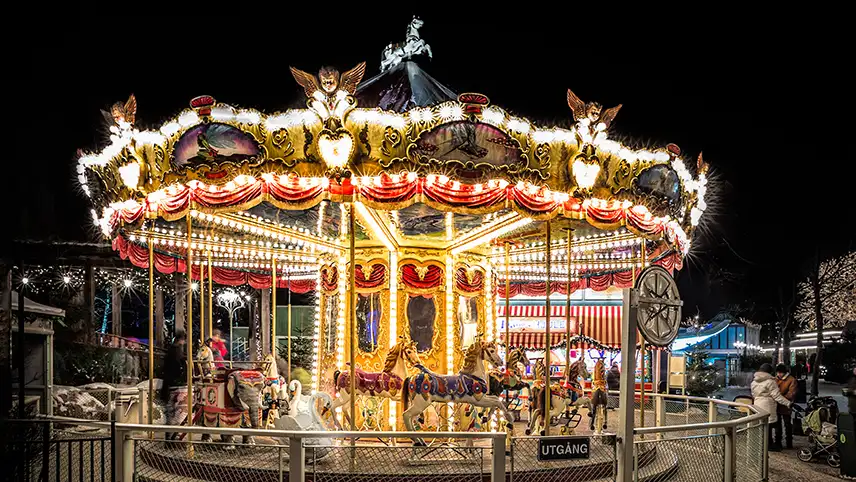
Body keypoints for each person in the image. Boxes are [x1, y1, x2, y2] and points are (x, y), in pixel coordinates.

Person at [751, 363, 792, 451]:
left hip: (757, 404)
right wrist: (788, 403)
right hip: (768, 405)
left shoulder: (754, 381)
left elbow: (753, 394)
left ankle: (764, 443)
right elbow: (776, 396)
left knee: (763, 425)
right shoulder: (771, 382)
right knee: (769, 426)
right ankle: (769, 445)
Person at [160, 331, 187, 441]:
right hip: (174, 383)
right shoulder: (177, 350)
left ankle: (170, 436)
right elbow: (179, 366)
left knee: (170, 411)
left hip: (168, 382)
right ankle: (171, 437)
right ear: (182, 340)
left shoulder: (172, 350)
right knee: (174, 411)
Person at [774, 363, 797, 449]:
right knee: (777, 424)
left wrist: (780, 398)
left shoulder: (791, 380)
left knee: (787, 424)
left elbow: (792, 393)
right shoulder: (775, 379)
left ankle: (789, 442)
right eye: (778, 372)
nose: (779, 374)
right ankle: (778, 441)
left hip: (786, 405)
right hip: (777, 405)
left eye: (780, 372)